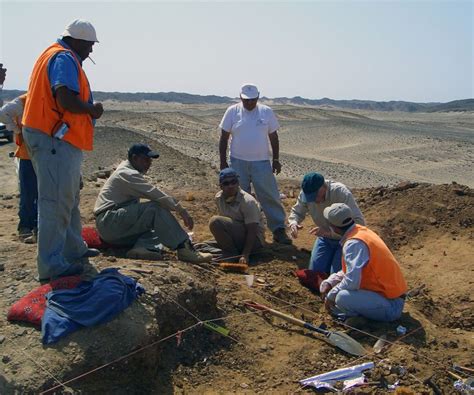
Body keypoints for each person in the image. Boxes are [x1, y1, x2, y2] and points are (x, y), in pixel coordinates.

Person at [22, 19, 104, 281]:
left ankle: (73, 248)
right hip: (53, 139)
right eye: (90, 45)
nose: (91, 51)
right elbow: (65, 98)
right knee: (55, 202)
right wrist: (92, 109)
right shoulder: (63, 58)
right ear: (78, 41)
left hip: (54, 138)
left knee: (68, 198)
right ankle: (52, 265)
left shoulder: (55, 55)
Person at [94, 143, 212, 263]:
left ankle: (143, 248)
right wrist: (181, 210)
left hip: (113, 225)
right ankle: (184, 248)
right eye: (146, 159)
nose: (149, 163)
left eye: (150, 160)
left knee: (158, 225)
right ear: (134, 158)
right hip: (109, 222)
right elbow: (155, 194)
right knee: (154, 208)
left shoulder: (128, 171)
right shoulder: (126, 174)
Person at [219, 83, 291, 245]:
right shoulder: (232, 111)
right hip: (238, 162)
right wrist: (223, 162)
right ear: (240, 98)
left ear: (258, 98)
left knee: (269, 195)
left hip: (261, 162)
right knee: (239, 196)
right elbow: (224, 137)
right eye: (246, 100)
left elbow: (274, 137)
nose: (249, 103)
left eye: (252, 100)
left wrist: (276, 159)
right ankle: (239, 227)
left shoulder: (266, 112)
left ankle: (278, 229)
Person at [320, 203, 407, 322]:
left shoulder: (354, 244)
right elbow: (350, 272)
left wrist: (331, 296)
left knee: (342, 298)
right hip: (387, 298)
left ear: (334, 227)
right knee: (340, 291)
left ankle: (357, 320)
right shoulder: (361, 232)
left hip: (392, 306)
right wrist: (330, 282)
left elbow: (352, 281)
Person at [289, 172, 365, 277]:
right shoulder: (306, 195)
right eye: (310, 198)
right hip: (324, 238)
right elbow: (297, 211)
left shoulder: (340, 192)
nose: (314, 201)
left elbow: (359, 223)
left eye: (316, 196)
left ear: (323, 187)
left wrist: (331, 233)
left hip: (346, 240)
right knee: (315, 273)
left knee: (337, 275)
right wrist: (294, 222)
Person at [0, 94, 38, 242]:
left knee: (40, 193)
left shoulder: (45, 99)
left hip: (43, 155)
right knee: (28, 193)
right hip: (27, 155)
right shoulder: (24, 100)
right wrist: (16, 130)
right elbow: (3, 114)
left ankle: (36, 226)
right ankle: (25, 227)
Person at [209, 168, 266, 264]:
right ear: (221, 186)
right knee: (199, 246)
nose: (230, 186)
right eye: (226, 183)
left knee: (216, 222)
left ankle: (231, 254)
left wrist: (245, 255)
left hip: (253, 240)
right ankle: (230, 253)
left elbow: (252, 230)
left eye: (233, 182)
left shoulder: (248, 201)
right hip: (236, 236)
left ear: (238, 183)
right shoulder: (219, 198)